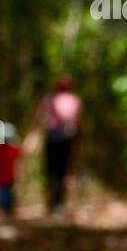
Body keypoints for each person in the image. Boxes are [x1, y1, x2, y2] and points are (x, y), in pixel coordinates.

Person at [37, 74, 83, 213]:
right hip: (65, 139)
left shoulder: (49, 99)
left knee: (51, 171)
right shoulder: (74, 100)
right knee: (61, 171)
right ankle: (58, 204)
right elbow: (78, 121)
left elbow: (41, 119)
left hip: (52, 137)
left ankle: (53, 202)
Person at [0, 123, 22, 215]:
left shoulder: (3, 150)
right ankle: (6, 211)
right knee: (4, 197)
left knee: (6, 197)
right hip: (2, 180)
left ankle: (7, 211)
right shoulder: (1, 150)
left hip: (7, 179)